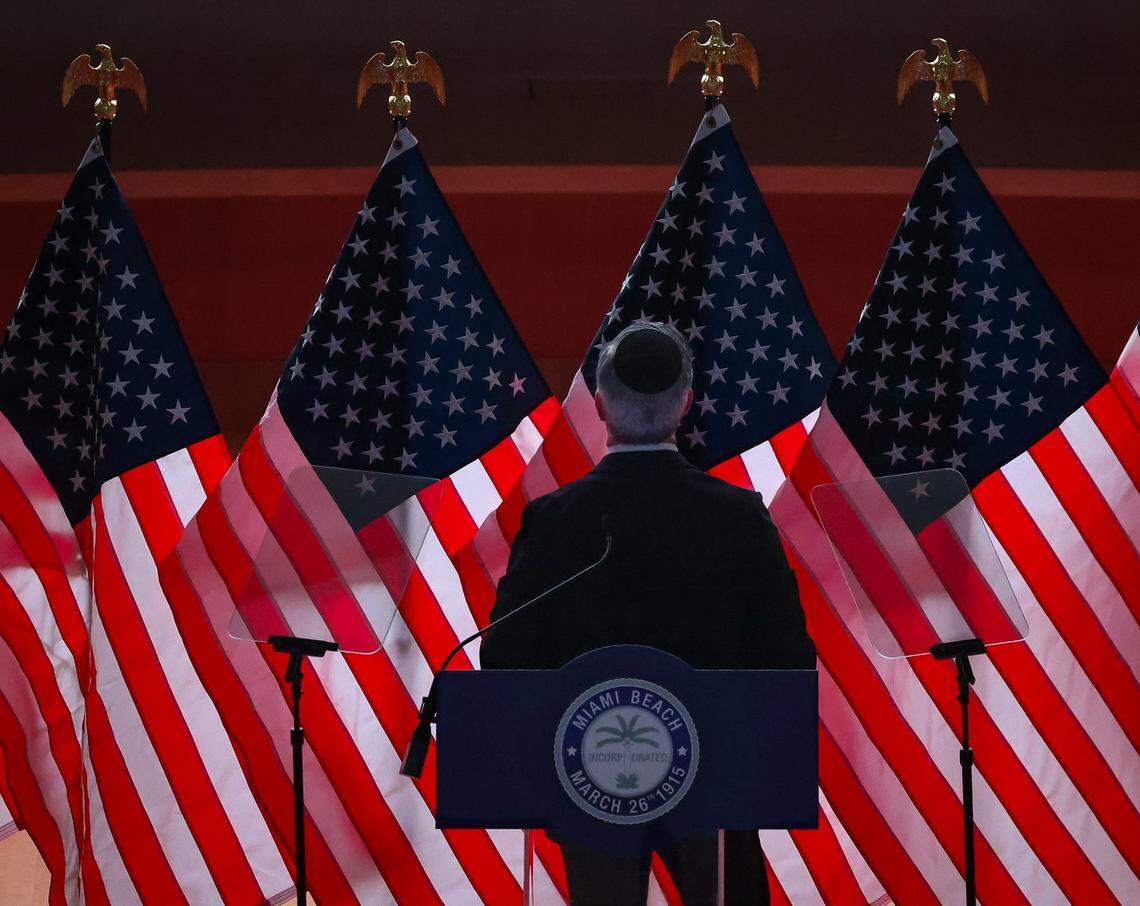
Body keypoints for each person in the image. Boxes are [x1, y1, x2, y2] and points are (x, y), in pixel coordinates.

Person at [480, 322, 815, 905]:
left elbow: (505, 658)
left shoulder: (555, 520)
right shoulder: (736, 518)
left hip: (586, 779)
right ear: (685, 404)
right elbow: (787, 660)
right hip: (718, 777)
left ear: (602, 407)